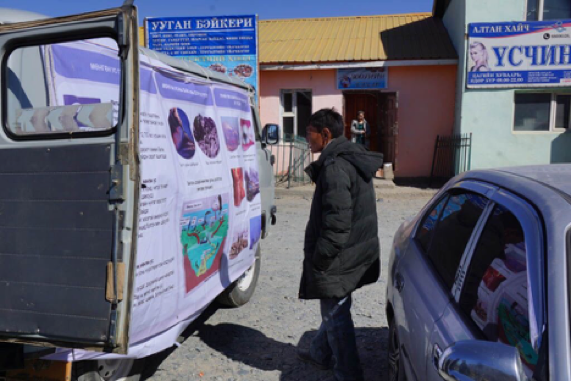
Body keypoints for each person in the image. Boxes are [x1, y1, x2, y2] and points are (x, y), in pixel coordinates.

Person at [298, 108, 383, 381]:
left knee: (335, 314)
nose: (305, 139)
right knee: (336, 307)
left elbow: (336, 225)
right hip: (356, 250)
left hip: (340, 255)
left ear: (325, 134)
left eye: (308, 134)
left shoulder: (335, 166)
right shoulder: (347, 156)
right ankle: (319, 352)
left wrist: (320, 260)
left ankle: (349, 374)